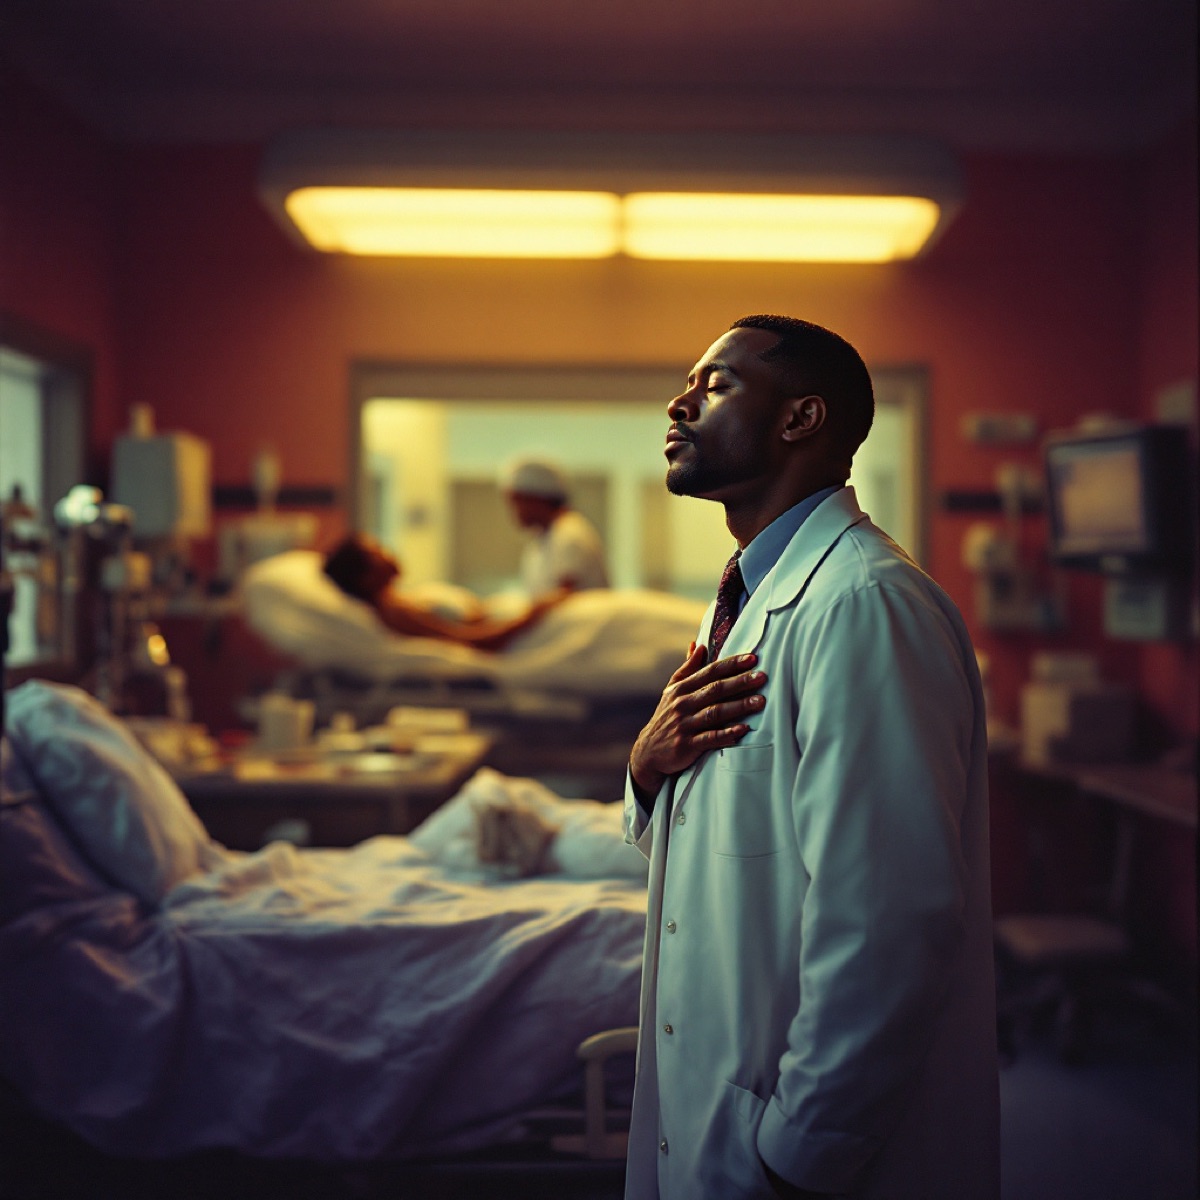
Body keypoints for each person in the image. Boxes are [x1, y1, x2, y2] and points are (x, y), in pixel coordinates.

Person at [623, 315, 999, 1200]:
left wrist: (803, 1156)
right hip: (730, 1114)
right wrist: (646, 769)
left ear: (800, 419)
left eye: (714, 385)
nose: (678, 403)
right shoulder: (747, 600)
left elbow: (888, 920)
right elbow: (724, 846)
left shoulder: (864, 604)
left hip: (805, 1158)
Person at [323, 533, 564, 652]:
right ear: (365, 577)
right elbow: (464, 642)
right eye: (377, 552)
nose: (388, 552)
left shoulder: (401, 600)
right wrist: (528, 621)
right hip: (519, 638)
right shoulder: (396, 612)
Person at [501, 458, 609, 596]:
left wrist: (517, 618)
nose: (513, 512)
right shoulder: (540, 543)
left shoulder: (570, 535)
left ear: (537, 499)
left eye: (516, 503)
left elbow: (561, 599)